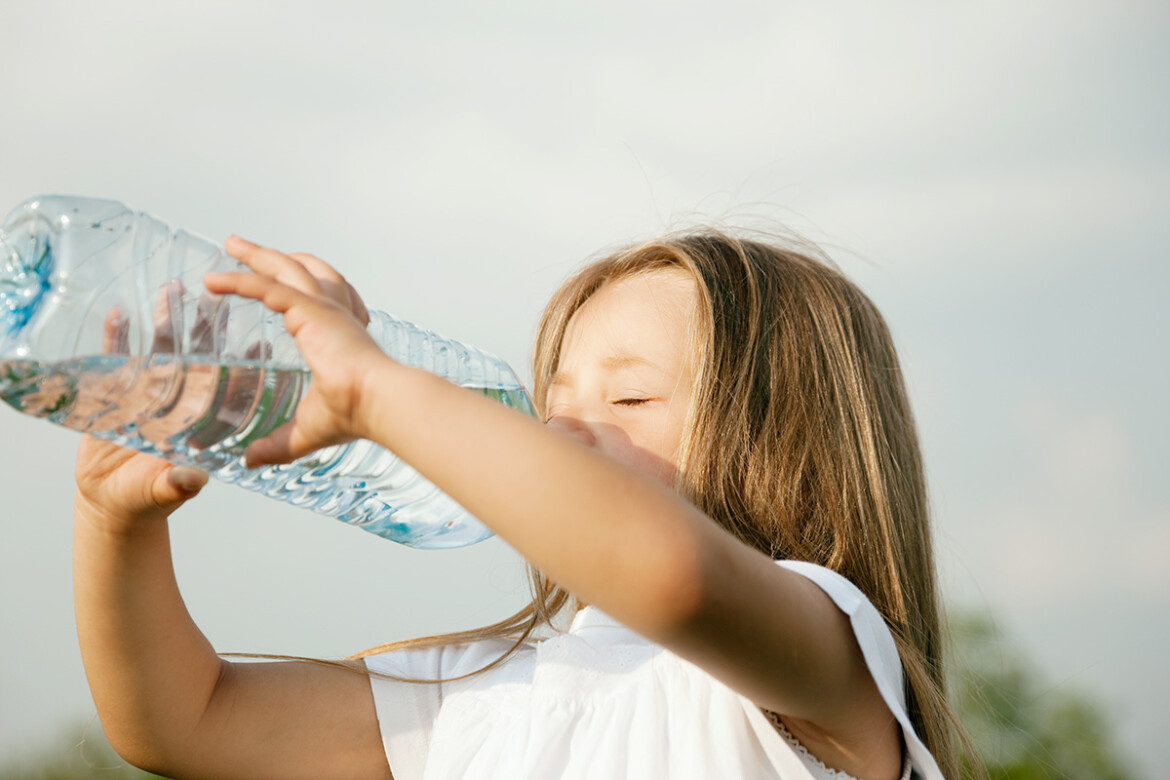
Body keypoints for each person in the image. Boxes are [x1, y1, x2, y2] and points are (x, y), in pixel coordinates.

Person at [73, 230, 971, 779]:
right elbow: (185, 722)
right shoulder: (490, 694)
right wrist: (116, 522)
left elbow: (674, 576)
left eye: (629, 399)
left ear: (787, 441)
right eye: (554, 404)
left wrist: (378, 391)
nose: (562, 429)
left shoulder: (825, 654)